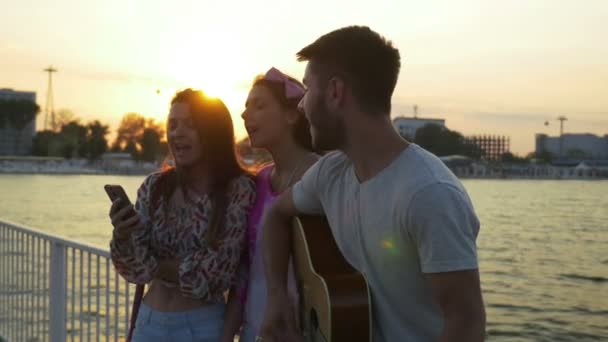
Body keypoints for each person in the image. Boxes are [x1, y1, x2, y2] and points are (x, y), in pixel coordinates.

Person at [258, 26, 486, 342]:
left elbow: (466, 325)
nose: (300, 105)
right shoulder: (330, 175)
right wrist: (277, 297)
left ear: (336, 92)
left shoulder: (429, 194)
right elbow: (275, 216)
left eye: (308, 90)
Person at [109, 89, 256, 341]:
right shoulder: (154, 187)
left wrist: (155, 265)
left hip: (201, 327)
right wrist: (122, 235)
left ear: (213, 132)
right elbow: (136, 271)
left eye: (191, 125)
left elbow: (215, 274)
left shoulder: (237, 190)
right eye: (173, 124)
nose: (177, 132)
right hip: (148, 323)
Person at [221, 67, 319, 342]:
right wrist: (227, 333)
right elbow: (245, 269)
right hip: (256, 329)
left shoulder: (322, 178)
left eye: (259, 105)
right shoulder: (260, 180)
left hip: (306, 330)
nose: (244, 114)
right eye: (245, 106)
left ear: (291, 114)